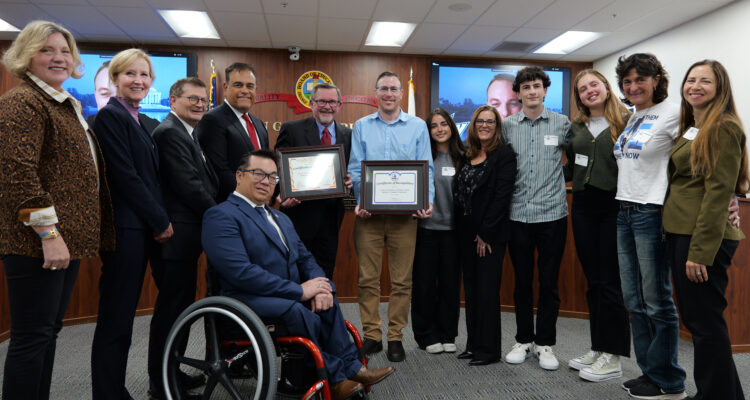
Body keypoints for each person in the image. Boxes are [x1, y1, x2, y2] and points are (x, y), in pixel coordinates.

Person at [201, 150, 395, 400]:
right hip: (245, 298)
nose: (266, 181)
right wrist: (300, 291)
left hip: (281, 293)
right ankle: (336, 378)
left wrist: (321, 286)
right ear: (239, 176)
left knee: (328, 295)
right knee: (298, 311)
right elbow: (241, 273)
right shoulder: (222, 215)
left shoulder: (280, 217)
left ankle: (354, 369)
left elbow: (305, 257)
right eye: (258, 174)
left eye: (272, 177)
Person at [0, 20, 114, 400]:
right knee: (31, 339)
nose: (59, 58)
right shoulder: (22, 102)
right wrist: (49, 234)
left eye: (65, 51)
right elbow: (18, 175)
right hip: (37, 243)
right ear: (26, 55)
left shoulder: (62, 102)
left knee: (47, 333)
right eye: (47, 50)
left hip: (63, 242)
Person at [90, 48, 173, 400]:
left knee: (122, 319)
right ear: (115, 79)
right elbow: (126, 177)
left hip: (139, 230)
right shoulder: (111, 117)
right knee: (116, 321)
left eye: (144, 75)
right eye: (130, 74)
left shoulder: (135, 118)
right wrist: (160, 219)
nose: (138, 81)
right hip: (127, 231)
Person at [663, 60, 748, 400]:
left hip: (701, 238)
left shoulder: (723, 127)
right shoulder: (694, 126)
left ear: (720, 88)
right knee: (701, 323)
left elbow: (717, 194)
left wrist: (699, 252)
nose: (695, 86)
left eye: (705, 81)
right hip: (682, 231)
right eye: (691, 80)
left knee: (705, 324)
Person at [612, 53, 687, 399]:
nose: (633, 86)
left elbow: (701, 156)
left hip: (651, 212)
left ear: (656, 79)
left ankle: (669, 380)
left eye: (639, 79)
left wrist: (733, 193)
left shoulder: (676, 112)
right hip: (624, 210)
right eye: (627, 82)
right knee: (634, 299)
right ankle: (649, 373)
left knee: (657, 300)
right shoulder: (634, 116)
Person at [348, 71, 435, 362]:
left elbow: (427, 167)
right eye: (383, 89)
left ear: (400, 94)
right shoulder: (361, 126)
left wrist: (427, 200)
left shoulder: (417, 126)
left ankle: (396, 336)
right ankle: (372, 335)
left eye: (393, 89)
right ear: (377, 93)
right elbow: (356, 168)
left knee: (402, 281)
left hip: (404, 218)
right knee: (367, 279)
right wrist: (361, 200)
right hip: (368, 216)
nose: (388, 93)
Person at [147, 77, 218, 399]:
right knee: (171, 313)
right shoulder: (169, 134)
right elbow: (189, 185)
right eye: (193, 98)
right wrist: (221, 215)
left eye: (204, 100)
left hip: (187, 238)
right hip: (175, 239)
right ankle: (162, 384)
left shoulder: (186, 133)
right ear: (173, 100)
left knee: (180, 309)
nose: (200, 104)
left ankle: (171, 370)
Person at [564, 69, 632, 382]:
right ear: (578, 97)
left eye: (594, 84)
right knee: (593, 281)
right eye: (582, 89)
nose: (589, 91)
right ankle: (598, 346)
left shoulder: (629, 121)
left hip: (613, 206)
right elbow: (568, 166)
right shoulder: (576, 127)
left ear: (606, 87)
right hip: (583, 207)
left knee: (610, 283)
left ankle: (614, 355)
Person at [501, 66, 570, 371]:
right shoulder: (507, 126)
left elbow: (581, 158)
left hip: (552, 214)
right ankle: (523, 339)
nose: (531, 91)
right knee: (522, 282)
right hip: (517, 215)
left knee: (549, 283)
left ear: (545, 90)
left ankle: (546, 344)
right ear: (518, 92)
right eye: (526, 86)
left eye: (537, 86)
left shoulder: (562, 123)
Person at [454, 105, 516, 366]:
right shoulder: (468, 154)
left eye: (490, 122)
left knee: (487, 290)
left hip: (488, 235)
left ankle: (488, 350)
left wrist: (485, 233)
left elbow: (502, 196)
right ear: (473, 124)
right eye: (480, 121)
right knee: (471, 289)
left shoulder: (504, 154)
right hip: (465, 233)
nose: (485, 125)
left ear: (497, 126)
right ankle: (473, 344)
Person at [275, 82, 352, 280]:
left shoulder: (348, 135)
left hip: (331, 220)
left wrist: (350, 182)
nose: (327, 106)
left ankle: (321, 312)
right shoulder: (291, 129)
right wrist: (282, 194)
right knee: (294, 276)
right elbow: (278, 167)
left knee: (324, 276)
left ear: (340, 105)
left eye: (332, 102)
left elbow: (351, 171)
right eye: (322, 101)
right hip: (298, 216)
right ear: (311, 103)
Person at [410, 108, 465, 355]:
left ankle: (447, 333)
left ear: (452, 127)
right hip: (426, 230)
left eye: (444, 124)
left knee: (450, 285)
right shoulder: (422, 157)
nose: (440, 129)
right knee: (424, 285)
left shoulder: (464, 156)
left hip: (454, 232)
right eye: (434, 126)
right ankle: (425, 334)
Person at [196, 62, 269, 201]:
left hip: (257, 204)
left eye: (250, 86)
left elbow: (267, 164)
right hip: (231, 204)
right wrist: (252, 195)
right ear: (225, 87)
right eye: (238, 85)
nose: (245, 90)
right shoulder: (212, 120)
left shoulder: (258, 124)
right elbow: (220, 171)